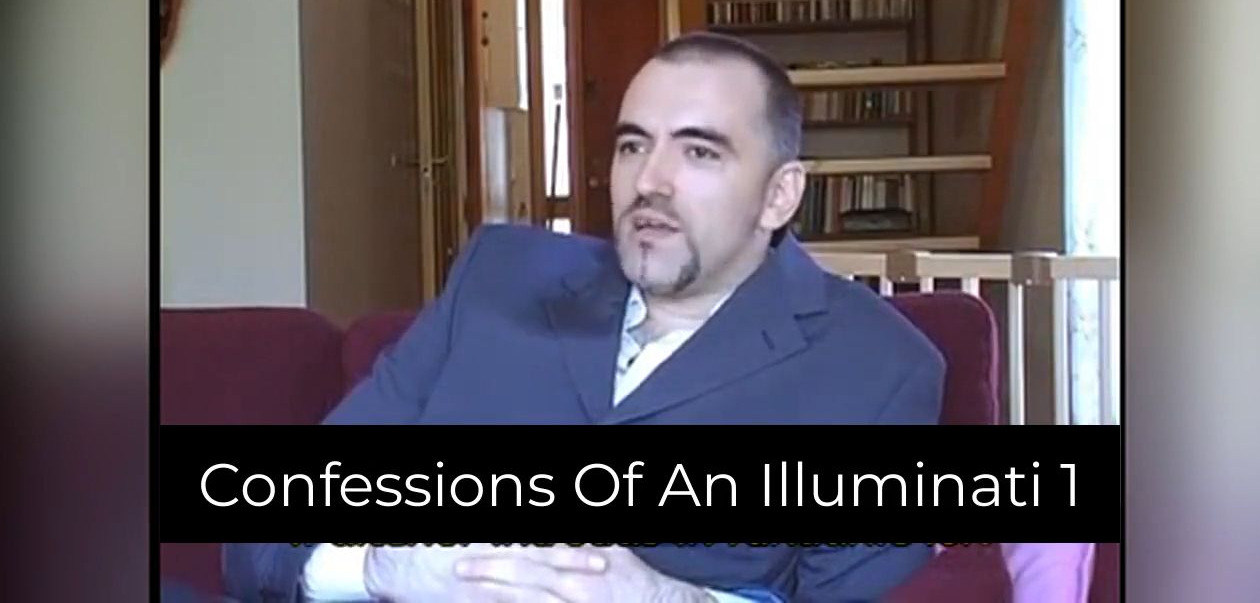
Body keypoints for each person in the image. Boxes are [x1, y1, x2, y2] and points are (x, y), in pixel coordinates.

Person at [223, 31, 944, 602]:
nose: (649, 182)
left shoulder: (877, 368)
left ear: (780, 195)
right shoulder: (498, 278)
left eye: (699, 151)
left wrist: (664, 600)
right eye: (633, 145)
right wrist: (384, 569)